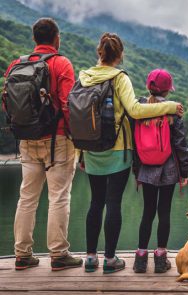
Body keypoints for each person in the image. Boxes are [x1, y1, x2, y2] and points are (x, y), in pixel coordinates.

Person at [81, 33, 184, 274]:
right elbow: (136, 111)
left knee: (95, 202)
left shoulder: (84, 76)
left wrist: (80, 153)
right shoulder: (119, 77)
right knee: (113, 202)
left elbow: (79, 115)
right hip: (117, 151)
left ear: (99, 52)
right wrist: (170, 107)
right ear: (120, 55)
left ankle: (90, 259)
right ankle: (109, 260)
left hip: (90, 150)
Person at [3, 18, 82, 271]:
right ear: (56, 38)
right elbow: (68, 104)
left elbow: (7, 103)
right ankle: (59, 255)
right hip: (57, 139)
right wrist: (75, 136)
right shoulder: (61, 63)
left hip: (26, 139)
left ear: (35, 39)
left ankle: (22, 255)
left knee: (27, 198)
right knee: (58, 197)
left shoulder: (16, 64)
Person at [132, 69, 188, 273]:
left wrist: (135, 170)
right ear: (167, 91)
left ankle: (140, 259)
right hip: (168, 168)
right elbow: (180, 144)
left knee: (147, 212)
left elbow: (134, 142)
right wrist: (184, 172)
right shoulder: (173, 112)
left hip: (146, 168)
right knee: (163, 212)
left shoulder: (139, 109)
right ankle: (160, 259)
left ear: (148, 86)